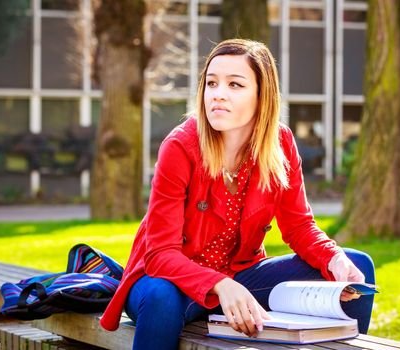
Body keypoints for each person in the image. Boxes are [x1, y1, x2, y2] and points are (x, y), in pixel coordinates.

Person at [99, 39, 375, 349]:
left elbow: (298, 227)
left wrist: (332, 257)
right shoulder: (180, 147)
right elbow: (160, 254)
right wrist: (219, 284)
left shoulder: (279, 143)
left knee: (356, 267)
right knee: (161, 298)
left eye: (235, 85)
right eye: (212, 83)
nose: (218, 94)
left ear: (262, 95)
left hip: (240, 280)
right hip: (168, 283)